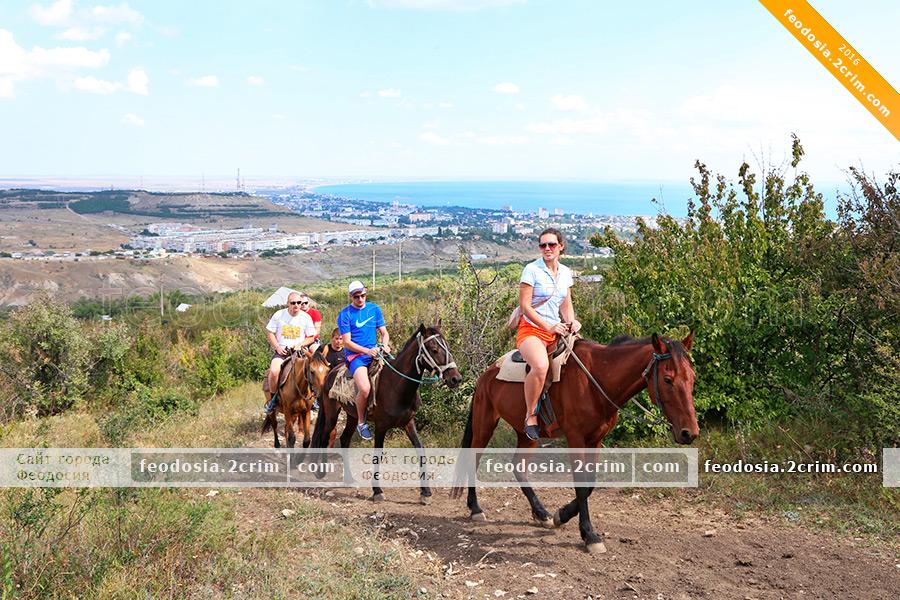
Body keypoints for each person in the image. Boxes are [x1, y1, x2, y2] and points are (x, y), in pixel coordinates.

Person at [516, 227, 580, 441]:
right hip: (532, 330)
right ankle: (530, 415)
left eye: (551, 244)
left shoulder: (565, 273)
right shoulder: (531, 270)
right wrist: (548, 327)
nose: (547, 248)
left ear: (561, 247)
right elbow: (525, 306)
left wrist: (572, 322)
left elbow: (566, 304)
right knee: (541, 366)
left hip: (557, 330)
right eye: (543, 245)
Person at [336, 280, 391, 441]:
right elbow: (347, 342)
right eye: (356, 297)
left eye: (363, 295)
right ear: (350, 297)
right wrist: (367, 350)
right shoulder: (345, 314)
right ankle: (361, 423)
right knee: (365, 388)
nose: (360, 299)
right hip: (356, 356)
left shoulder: (374, 309)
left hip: (375, 352)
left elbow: (384, 332)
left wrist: (384, 345)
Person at [264, 291, 317, 414]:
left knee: (312, 370)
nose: (296, 305)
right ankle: (273, 400)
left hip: (299, 352)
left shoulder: (306, 317)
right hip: (283, 351)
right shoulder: (279, 315)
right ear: (288, 303)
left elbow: (311, 337)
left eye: (299, 302)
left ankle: (313, 398)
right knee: (274, 370)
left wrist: (300, 344)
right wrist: (277, 346)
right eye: (293, 303)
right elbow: (270, 333)